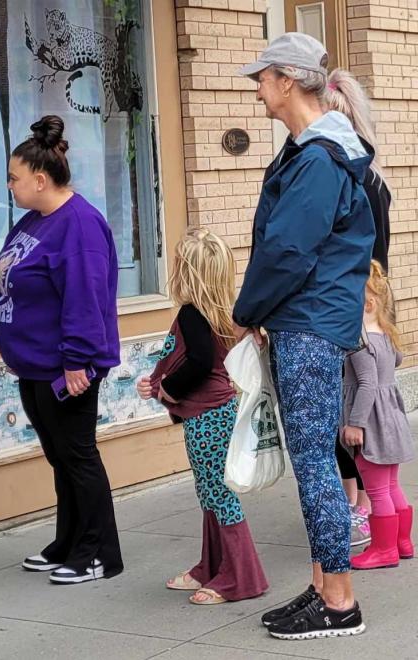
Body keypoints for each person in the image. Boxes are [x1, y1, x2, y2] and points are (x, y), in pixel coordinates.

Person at [233, 33, 374, 639]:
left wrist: (245, 312)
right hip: (309, 319)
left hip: (308, 323)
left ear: (287, 80)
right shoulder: (314, 151)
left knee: (315, 460)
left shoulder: (317, 158)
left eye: (260, 77)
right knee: (314, 456)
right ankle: (323, 585)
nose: (256, 88)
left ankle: (339, 602)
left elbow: (289, 247)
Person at [0, 115, 123, 584]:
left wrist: (77, 362)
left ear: (41, 179)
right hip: (34, 365)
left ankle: (98, 553)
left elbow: (85, 299)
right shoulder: (36, 220)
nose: (9, 185)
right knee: (61, 458)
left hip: (66, 369)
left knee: (78, 457)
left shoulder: (80, 226)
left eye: (14, 177)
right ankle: (67, 541)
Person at [138, 229, 268, 605]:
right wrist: (162, 384)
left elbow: (195, 363)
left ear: (188, 273)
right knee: (211, 493)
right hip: (212, 414)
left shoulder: (194, 314)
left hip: (209, 417)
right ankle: (212, 565)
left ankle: (241, 578)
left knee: (220, 495)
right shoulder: (218, 314)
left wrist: (167, 389)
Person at [325, 68, 394, 547]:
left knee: (350, 409)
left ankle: (360, 504)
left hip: (350, 310)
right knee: (359, 407)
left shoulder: (353, 178)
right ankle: (366, 502)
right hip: (368, 308)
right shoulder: (374, 177)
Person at [340, 261, 414, 570]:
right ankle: (402, 542)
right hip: (392, 420)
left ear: (367, 303)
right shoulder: (385, 335)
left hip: (372, 425)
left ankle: (383, 549)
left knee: (376, 488)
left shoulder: (360, 342)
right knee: (392, 485)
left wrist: (355, 423)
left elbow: (368, 383)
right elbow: (394, 362)